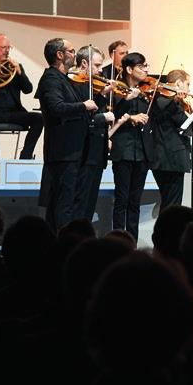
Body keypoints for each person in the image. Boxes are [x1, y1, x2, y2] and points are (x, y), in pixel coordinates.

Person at [35, 38, 97, 230]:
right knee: (63, 204)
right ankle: (61, 242)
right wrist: (84, 106)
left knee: (67, 202)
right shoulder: (51, 79)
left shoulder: (65, 79)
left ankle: (61, 240)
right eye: (71, 51)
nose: (74, 54)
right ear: (60, 55)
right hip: (63, 151)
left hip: (73, 151)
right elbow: (56, 108)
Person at [110, 52, 154, 239]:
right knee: (122, 199)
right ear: (129, 69)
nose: (146, 70)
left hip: (142, 152)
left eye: (146, 66)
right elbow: (112, 116)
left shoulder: (145, 94)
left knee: (135, 201)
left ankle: (132, 241)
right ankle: (119, 241)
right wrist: (131, 118)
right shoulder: (116, 91)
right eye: (141, 66)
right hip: (123, 150)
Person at [73, 46, 117, 222]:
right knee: (80, 203)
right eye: (97, 65)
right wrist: (103, 117)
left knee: (89, 204)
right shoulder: (76, 85)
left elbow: (94, 110)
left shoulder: (93, 87)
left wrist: (102, 94)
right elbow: (84, 118)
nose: (100, 70)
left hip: (96, 152)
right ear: (84, 63)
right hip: (84, 152)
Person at [149, 70, 193, 209]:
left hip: (162, 159)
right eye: (187, 84)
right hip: (171, 159)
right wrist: (179, 104)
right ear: (178, 83)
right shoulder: (167, 101)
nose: (189, 89)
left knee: (168, 202)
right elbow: (186, 124)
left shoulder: (161, 100)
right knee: (172, 204)